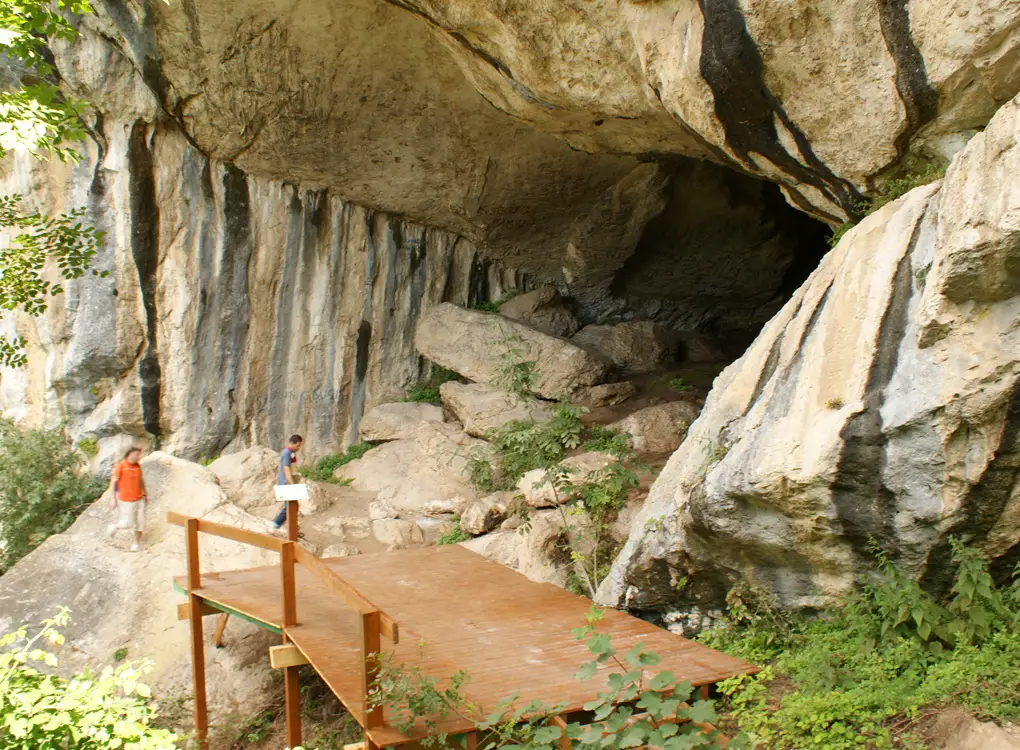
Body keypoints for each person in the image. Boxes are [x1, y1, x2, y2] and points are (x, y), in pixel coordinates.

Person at [106, 447, 148, 551]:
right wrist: (113, 498)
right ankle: (115, 527)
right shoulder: (121, 466)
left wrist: (145, 494)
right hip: (127, 500)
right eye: (137, 454)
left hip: (139, 498)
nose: (139, 457)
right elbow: (113, 482)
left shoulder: (137, 466)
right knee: (128, 523)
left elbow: (141, 480)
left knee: (141, 522)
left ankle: (136, 544)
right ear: (130, 454)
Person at [271, 434, 303, 535]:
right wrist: (292, 484)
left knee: (292, 506)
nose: (299, 448)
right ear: (293, 443)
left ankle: (291, 527)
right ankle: (276, 525)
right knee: (290, 507)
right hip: (286, 484)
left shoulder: (290, 453)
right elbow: (286, 469)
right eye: (298, 445)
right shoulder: (286, 454)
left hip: (287, 483)